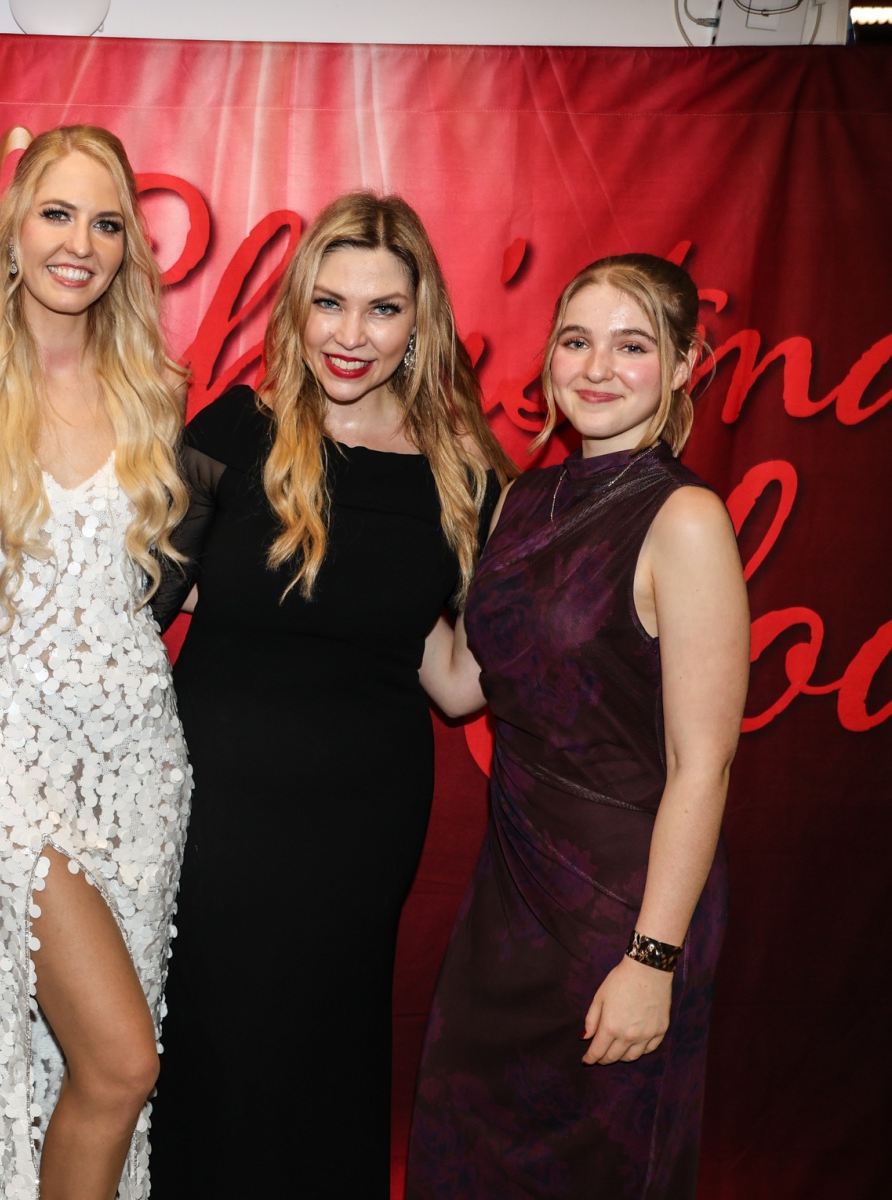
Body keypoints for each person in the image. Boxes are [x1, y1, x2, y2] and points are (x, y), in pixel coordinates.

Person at [147, 192, 516, 1194]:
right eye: (330, 303)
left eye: (383, 309)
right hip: (211, 801)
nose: (352, 335)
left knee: (323, 1042)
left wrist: (570, 612)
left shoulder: (464, 478)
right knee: (208, 1034)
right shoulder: (234, 429)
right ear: (298, 309)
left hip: (361, 819)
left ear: (420, 322)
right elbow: (144, 603)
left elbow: (455, 684)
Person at [405, 254, 747, 1198]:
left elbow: (703, 764)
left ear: (684, 364)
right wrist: (360, 575)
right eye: (576, 341)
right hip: (512, 896)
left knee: (598, 1167)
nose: (596, 368)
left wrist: (652, 958)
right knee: (468, 1151)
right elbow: (462, 684)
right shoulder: (524, 498)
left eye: (631, 345)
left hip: (627, 907)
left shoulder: (685, 518)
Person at [0, 124, 191, 1200]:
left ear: (127, 249)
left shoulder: (154, 388)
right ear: (13, 227)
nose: (79, 243)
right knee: (121, 1062)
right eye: (56, 213)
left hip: (137, 756)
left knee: (97, 1068)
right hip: (4, 746)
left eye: (105, 223)